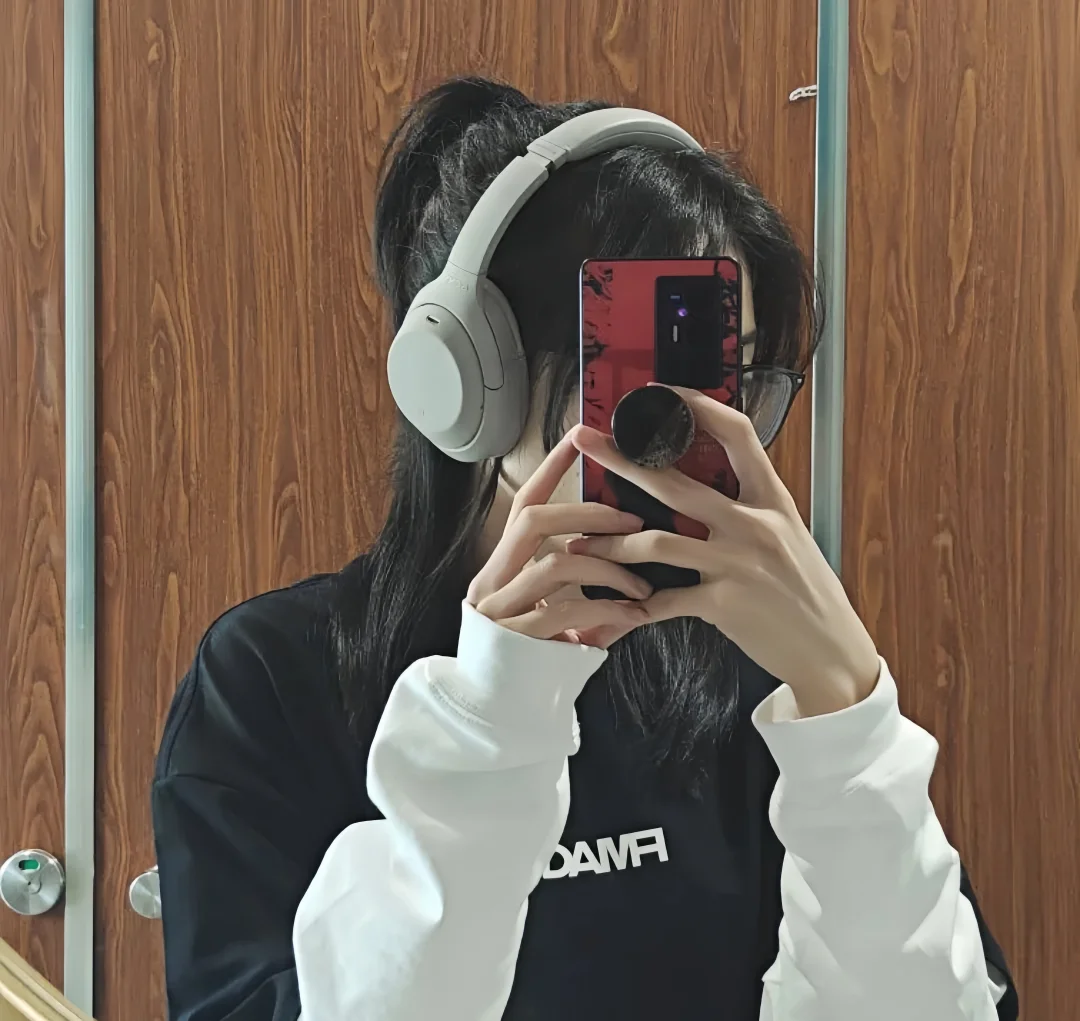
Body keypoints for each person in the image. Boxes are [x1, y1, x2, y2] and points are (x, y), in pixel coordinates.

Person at [152, 77, 1019, 1021]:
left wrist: (847, 715)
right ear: (474, 375)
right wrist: (491, 718)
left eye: (726, 373)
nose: (693, 425)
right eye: (642, 371)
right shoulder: (273, 679)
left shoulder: (748, 666)